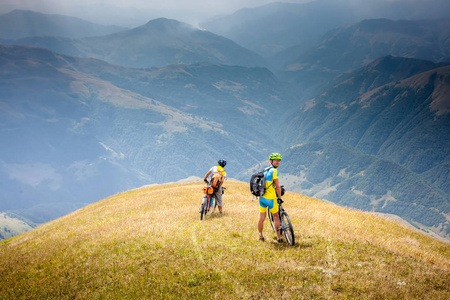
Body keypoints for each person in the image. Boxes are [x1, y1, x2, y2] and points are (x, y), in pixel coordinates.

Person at [258, 153, 283, 243]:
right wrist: (279, 197)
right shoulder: (274, 171)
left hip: (262, 198)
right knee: (276, 217)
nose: (278, 162)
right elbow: (278, 186)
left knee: (261, 218)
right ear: (271, 161)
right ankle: (279, 238)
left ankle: (260, 236)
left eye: (279, 160)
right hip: (271, 199)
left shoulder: (265, 170)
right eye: (276, 160)